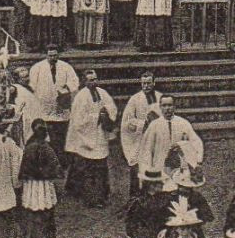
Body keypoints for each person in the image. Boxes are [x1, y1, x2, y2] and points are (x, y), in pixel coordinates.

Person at [64, 69, 118, 207]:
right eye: (91, 80)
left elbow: (111, 106)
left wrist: (107, 112)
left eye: (95, 79)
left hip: (99, 135)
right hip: (85, 136)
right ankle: (92, 198)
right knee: (89, 169)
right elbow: (78, 120)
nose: (94, 82)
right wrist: (96, 117)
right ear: (85, 82)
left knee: (101, 166)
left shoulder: (102, 92)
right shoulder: (81, 97)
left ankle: (102, 194)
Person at [17, 120, 61, 238]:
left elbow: (23, 170)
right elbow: (56, 168)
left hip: (31, 186)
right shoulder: (48, 148)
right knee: (46, 213)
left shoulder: (29, 148)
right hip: (44, 186)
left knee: (30, 214)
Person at [137, 95, 203, 186]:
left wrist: (197, 161)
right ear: (160, 107)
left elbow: (195, 141)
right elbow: (146, 149)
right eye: (164, 105)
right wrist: (146, 169)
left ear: (174, 106)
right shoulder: (154, 125)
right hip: (160, 165)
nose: (167, 108)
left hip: (179, 166)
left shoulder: (183, 123)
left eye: (170, 105)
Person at [28, 48, 78, 156]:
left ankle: (62, 157)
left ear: (58, 55)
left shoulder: (66, 67)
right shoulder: (37, 68)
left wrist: (66, 89)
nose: (52, 58)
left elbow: (74, 82)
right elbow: (32, 85)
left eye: (55, 55)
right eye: (50, 56)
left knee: (61, 135)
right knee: (48, 135)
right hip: (44, 105)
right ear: (46, 55)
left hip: (61, 106)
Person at [120, 72, 163, 196]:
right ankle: (136, 198)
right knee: (138, 168)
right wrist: (143, 123)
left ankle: (156, 195)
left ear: (154, 83)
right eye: (143, 83)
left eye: (149, 83)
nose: (146, 86)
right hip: (140, 139)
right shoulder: (135, 99)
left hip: (157, 138)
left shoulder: (161, 97)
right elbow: (127, 121)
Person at [4, 64, 43, 147]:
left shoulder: (31, 87)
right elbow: (10, 104)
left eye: (27, 76)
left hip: (34, 117)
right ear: (18, 78)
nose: (27, 79)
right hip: (23, 119)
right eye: (24, 78)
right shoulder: (14, 88)